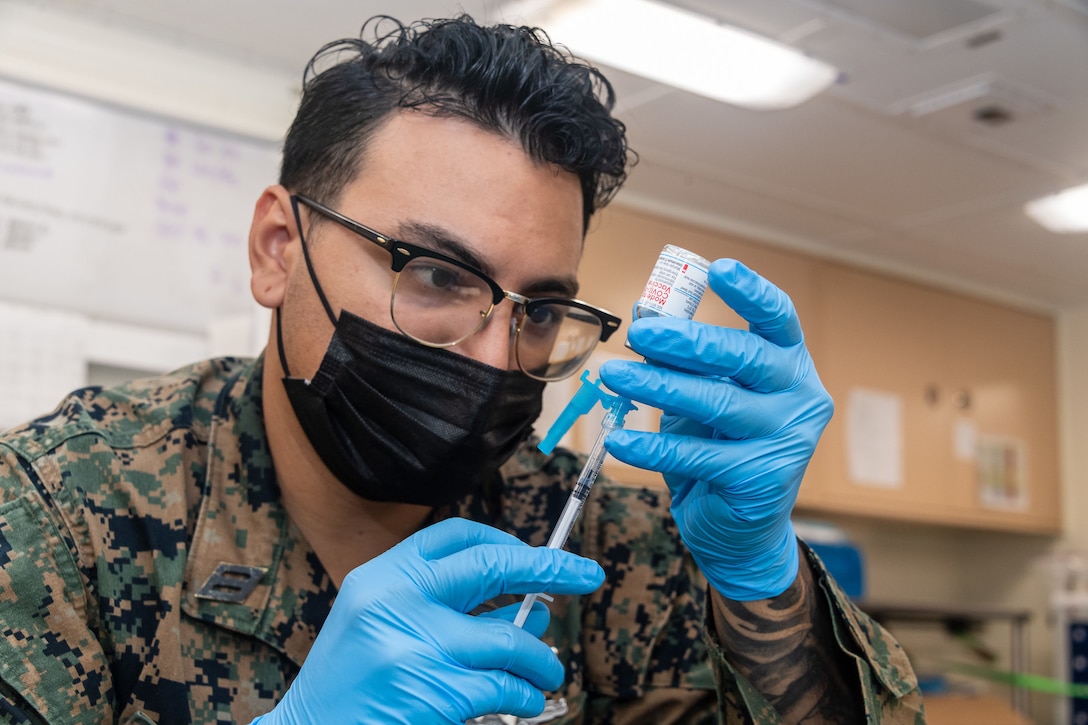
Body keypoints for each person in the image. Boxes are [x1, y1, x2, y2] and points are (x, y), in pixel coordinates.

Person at [0, 15, 924, 725]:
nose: (492, 352)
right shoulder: (60, 513)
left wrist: (763, 582)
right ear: (279, 248)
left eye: (541, 310)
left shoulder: (600, 542)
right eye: (438, 274)